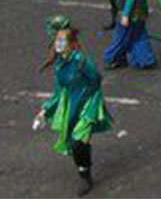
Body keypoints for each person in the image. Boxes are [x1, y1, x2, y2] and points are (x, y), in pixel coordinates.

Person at [36, 15, 110, 195]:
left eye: (62, 41)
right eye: (57, 41)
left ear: (71, 42)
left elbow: (96, 79)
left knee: (77, 142)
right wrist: (44, 111)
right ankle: (83, 164)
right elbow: (59, 92)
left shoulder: (81, 62)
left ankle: (85, 175)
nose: (59, 44)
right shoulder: (60, 66)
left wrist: (89, 98)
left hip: (88, 104)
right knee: (74, 142)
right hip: (72, 104)